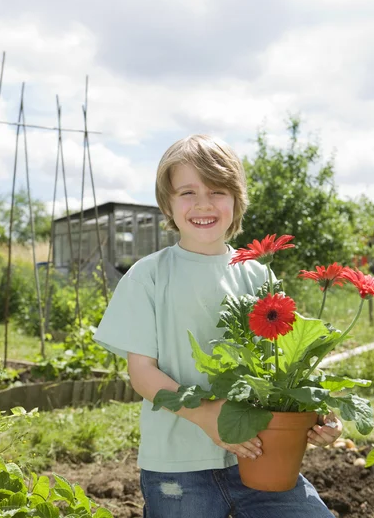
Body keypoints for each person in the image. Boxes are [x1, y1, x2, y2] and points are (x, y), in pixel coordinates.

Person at [94, 134, 342, 517]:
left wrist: (317, 412)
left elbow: (288, 366)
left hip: (262, 452)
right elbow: (142, 373)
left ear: (237, 200)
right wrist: (206, 416)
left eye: (217, 191)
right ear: (168, 203)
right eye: (188, 192)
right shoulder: (149, 276)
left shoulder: (259, 275)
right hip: (178, 466)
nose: (204, 204)